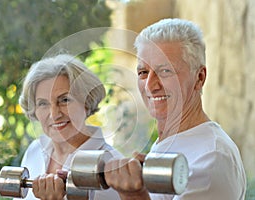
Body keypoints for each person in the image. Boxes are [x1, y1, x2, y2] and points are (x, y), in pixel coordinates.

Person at [104, 18, 246, 200]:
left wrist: (133, 194)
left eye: (165, 71)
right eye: (143, 73)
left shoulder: (211, 158)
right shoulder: (171, 145)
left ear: (199, 77)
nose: (150, 85)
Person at [16, 53, 122, 200]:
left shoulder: (111, 165)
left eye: (64, 100)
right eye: (43, 103)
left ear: (86, 102)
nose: (54, 114)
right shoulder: (34, 151)